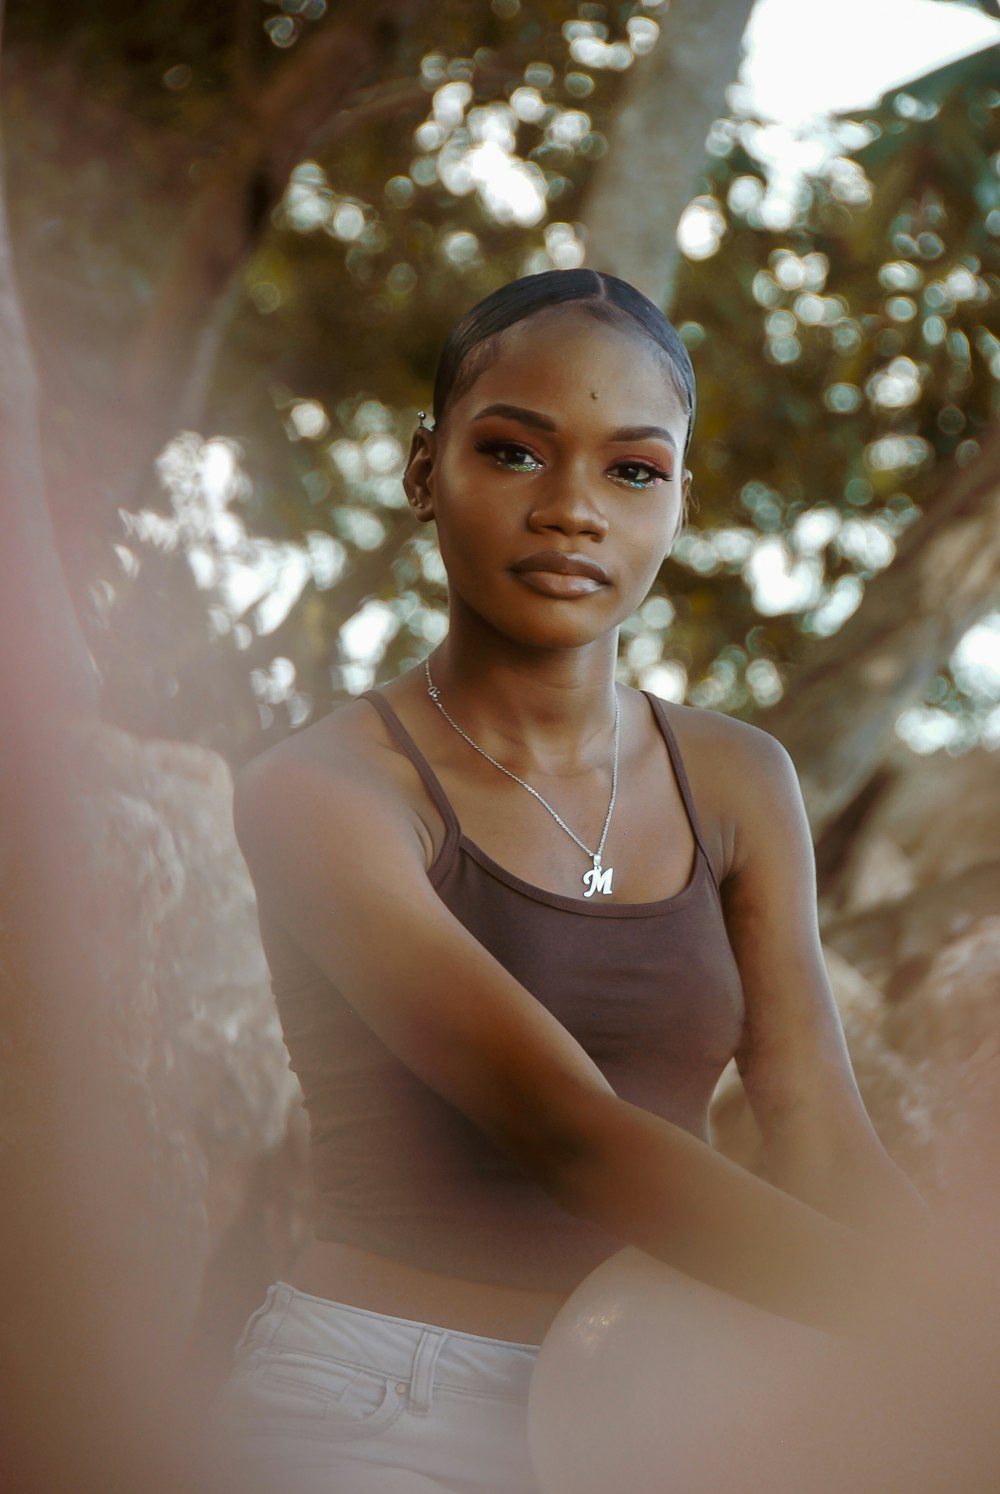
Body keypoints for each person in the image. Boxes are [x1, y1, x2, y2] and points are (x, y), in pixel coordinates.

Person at [215, 269, 926, 1494]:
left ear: (678, 504)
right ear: (425, 470)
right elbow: (571, 1134)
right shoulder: (324, 789)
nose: (572, 511)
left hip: (679, 1410)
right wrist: (924, 1332)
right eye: (514, 453)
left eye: (631, 470)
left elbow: (818, 1130)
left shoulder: (739, 779)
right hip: (382, 1406)